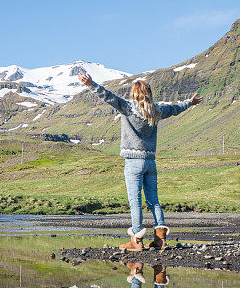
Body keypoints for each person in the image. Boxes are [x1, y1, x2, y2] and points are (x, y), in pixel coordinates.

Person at [77, 71, 201, 251]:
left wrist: (90, 84)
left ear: (134, 94)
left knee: (135, 201)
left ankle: (136, 240)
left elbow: (107, 96)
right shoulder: (156, 110)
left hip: (133, 162)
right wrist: (189, 103)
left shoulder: (127, 107)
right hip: (150, 161)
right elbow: (175, 109)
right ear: (148, 94)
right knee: (154, 201)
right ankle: (160, 239)